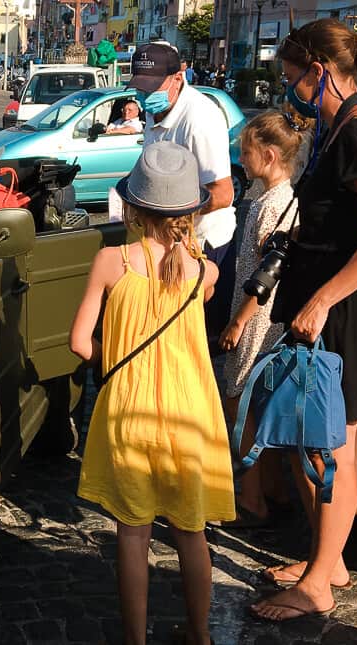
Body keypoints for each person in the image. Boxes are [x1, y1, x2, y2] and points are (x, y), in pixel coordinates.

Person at [249, 18, 357, 622]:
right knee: (313, 443)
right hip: (327, 311)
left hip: (343, 315)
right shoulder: (340, 126)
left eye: (293, 78)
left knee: (331, 450)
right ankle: (329, 561)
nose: (289, 91)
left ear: (319, 72)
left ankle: (318, 585)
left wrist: (321, 299)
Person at [71, 141, 235, 645]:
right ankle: (200, 634)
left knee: (132, 533)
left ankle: (135, 639)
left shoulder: (110, 261)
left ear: (132, 207)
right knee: (191, 531)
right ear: (189, 212)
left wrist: (114, 352)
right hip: (190, 412)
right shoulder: (205, 272)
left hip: (130, 410)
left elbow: (79, 344)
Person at [218, 109, 311, 527]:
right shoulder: (272, 198)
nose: (241, 159)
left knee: (241, 404)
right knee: (262, 405)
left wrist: (237, 320)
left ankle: (252, 498)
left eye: (247, 152)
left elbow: (267, 275)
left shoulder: (276, 204)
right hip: (260, 313)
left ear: (270, 156)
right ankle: (272, 490)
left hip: (257, 317)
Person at [127, 42, 237, 348]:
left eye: (153, 87)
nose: (146, 96)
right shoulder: (157, 109)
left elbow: (223, 194)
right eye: (141, 87)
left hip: (204, 244)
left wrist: (164, 211)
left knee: (195, 341)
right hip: (171, 239)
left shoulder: (200, 119)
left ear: (179, 77)